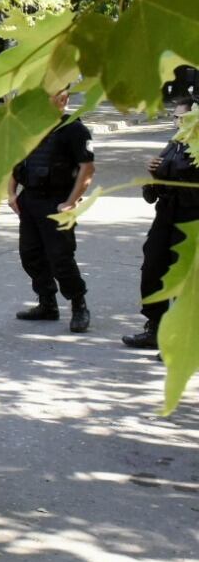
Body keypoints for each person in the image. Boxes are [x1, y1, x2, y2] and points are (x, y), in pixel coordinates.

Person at [123, 65, 199, 349]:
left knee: (182, 277)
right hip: (166, 215)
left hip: (192, 219)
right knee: (153, 268)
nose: (178, 122)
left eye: (184, 117)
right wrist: (153, 174)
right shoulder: (173, 145)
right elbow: (150, 193)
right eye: (176, 117)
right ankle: (155, 326)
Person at [9, 87, 96, 332]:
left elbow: (87, 169)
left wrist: (71, 201)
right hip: (30, 200)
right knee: (31, 255)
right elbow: (17, 161)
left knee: (60, 258)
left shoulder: (74, 129)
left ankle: (79, 305)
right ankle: (47, 304)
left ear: (64, 98)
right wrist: (11, 193)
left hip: (56, 201)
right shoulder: (31, 127)